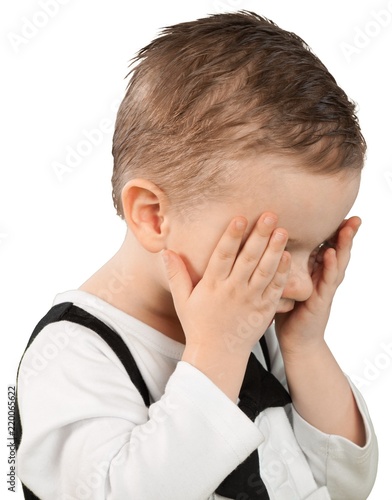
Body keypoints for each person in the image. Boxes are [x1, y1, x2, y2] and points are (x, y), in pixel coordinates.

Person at [15, 10, 378, 500]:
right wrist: (217, 354)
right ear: (154, 216)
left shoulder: (259, 323)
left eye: (317, 249)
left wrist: (306, 348)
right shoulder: (74, 357)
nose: (302, 284)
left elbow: (347, 484)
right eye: (272, 247)